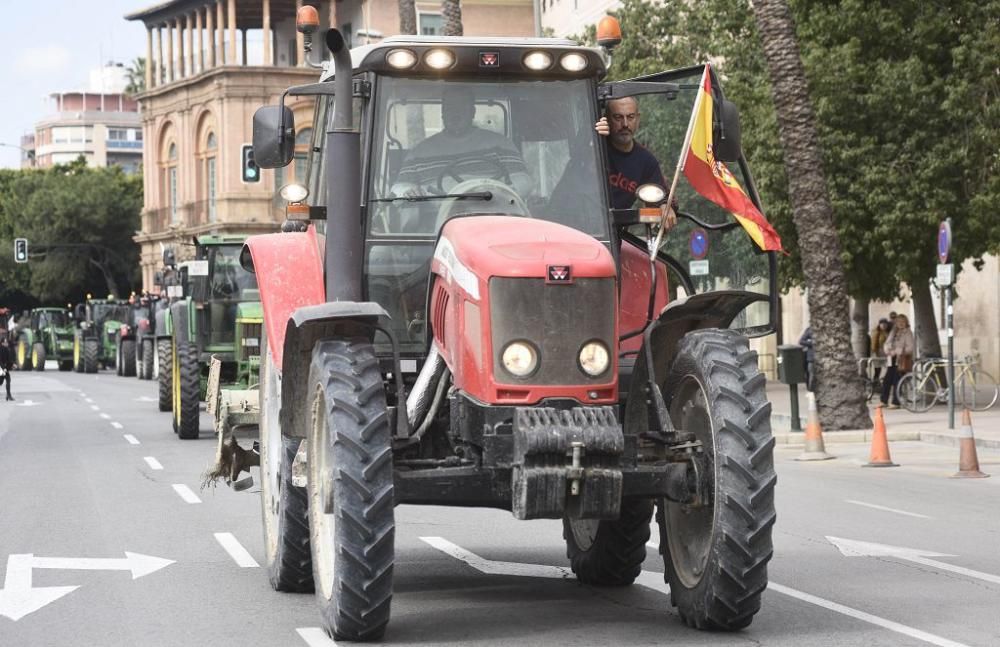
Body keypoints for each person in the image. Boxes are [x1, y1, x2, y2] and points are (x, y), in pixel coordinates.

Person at [392, 87, 533, 200]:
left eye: (461, 107)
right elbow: (398, 189)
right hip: (434, 226)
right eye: (450, 108)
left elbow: (522, 181)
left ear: (472, 111)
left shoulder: (500, 145)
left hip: (490, 217)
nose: (455, 113)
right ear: (443, 112)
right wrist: (408, 192)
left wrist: (498, 193)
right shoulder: (419, 153)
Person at [595, 96, 677, 228]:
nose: (625, 124)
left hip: (611, 234)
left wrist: (665, 206)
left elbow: (663, 196)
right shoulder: (595, 144)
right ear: (607, 119)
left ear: (638, 119)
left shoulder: (646, 161)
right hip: (572, 227)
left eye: (631, 117)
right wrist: (591, 137)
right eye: (618, 117)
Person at [880, 313, 914, 409]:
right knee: (886, 381)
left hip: (901, 361)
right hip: (891, 360)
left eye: (903, 322)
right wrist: (887, 350)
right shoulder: (893, 332)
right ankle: (883, 401)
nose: (900, 324)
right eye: (898, 322)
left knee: (897, 381)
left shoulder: (908, 333)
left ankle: (896, 402)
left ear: (906, 322)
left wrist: (897, 351)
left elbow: (910, 348)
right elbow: (886, 343)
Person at [869, 318, 891, 383]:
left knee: (888, 369)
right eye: (882, 324)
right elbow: (873, 343)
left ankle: (881, 382)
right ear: (879, 324)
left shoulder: (887, 332)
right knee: (878, 370)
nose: (884, 325)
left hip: (885, 354)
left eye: (885, 324)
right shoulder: (876, 332)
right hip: (877, 353)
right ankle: (875, 384)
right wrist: (875, 352)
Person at [798, 326, 816, 391]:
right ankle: (810, 390)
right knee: (812, 375)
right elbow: (801, 341)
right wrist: (813, 343)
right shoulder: (810, 330)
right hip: (812, 358)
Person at [0, 336, 14, 401]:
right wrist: (3, 369)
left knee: (8, 379)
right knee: (1, 382)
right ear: (2, 343)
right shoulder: (1, 349)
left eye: (7, 342)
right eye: (5, 342)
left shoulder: (7, 349)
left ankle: (8, 395)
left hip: (4, 369)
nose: (7, 343)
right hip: (1, 368)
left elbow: (9, 360)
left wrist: (12, 364)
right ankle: (8, 395)